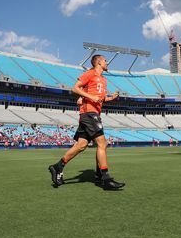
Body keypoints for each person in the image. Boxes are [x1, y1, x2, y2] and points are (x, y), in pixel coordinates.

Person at [48, 55, 125, 190]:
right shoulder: (89, 74)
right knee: (102, 143)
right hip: (89, 113)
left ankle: (57, 167)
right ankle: (104, 178)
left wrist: (111, 98)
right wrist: (89, 97)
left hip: (92, 113)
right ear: (99, 62)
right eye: (105, 60)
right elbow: (75, 88)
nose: (107, 63)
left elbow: (100, 99)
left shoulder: (103, 79)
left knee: (81, 145)